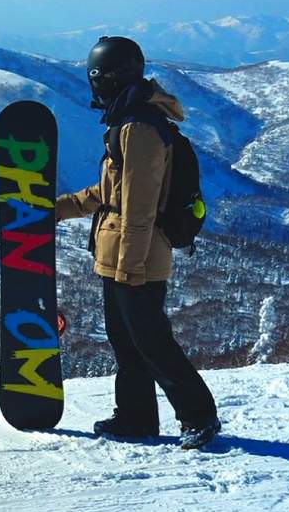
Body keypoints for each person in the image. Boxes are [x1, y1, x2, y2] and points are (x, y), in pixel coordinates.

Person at [55, 35, 221, 450]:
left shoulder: (140, 128)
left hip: (138, 259)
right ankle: (136, 417)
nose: (94, 85)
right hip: (116, 255)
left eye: (97, 77)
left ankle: (199, 416)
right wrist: (53, 208)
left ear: (111, 78)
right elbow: (108, 194)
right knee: (126, 343)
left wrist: (130, 265)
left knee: (152, 342)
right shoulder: (125, 121)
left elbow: (140, 206)